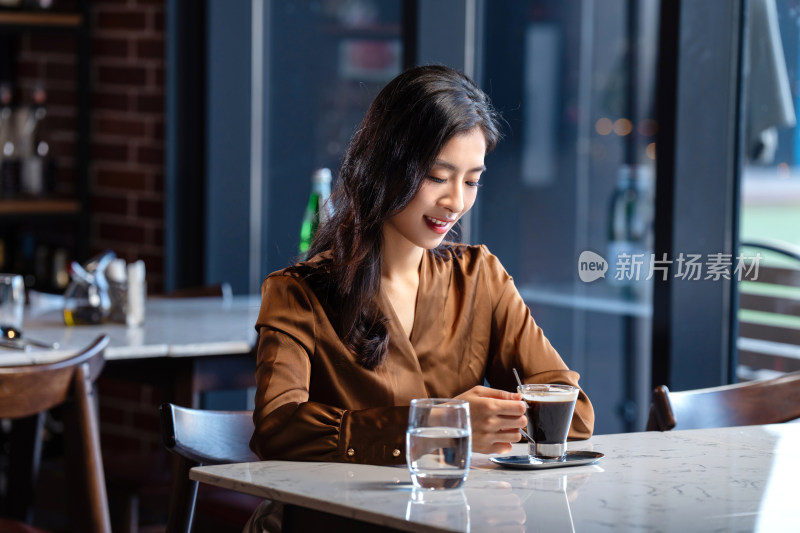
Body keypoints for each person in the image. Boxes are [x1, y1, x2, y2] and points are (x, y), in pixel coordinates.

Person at [249, 64, 594, 466]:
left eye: (471, 181)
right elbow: (277, 429)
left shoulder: (480, 277)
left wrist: (493, 418)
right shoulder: (298, 292)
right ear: (384, 165)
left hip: (449, 517)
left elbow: (574, 415)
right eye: (436, 176)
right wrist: (441, 423)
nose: (456, 202)